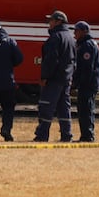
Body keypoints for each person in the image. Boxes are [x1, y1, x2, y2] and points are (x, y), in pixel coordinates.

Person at [33, 10, 76, 142]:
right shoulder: (71, 38)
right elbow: (74, 60)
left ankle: (42, 135)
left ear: (58, 21)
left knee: (46, 106)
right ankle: (66, 134)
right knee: (64, 108)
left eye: (51, 20)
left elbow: (51, 60)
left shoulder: (55, 37)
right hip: (66, 79)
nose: (49, 23)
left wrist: (45, 76)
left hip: (54, 79)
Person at [72, 20, 99, 142]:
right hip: (87, 84)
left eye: (77, 31)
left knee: (86, 109)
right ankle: (86, 134)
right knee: (84, 109)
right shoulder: (85, 44)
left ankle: (88, 135)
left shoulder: (88, 45)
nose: (74, 33)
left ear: (84, 31)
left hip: (87, 84)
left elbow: (87, 67)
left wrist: (79, 83)